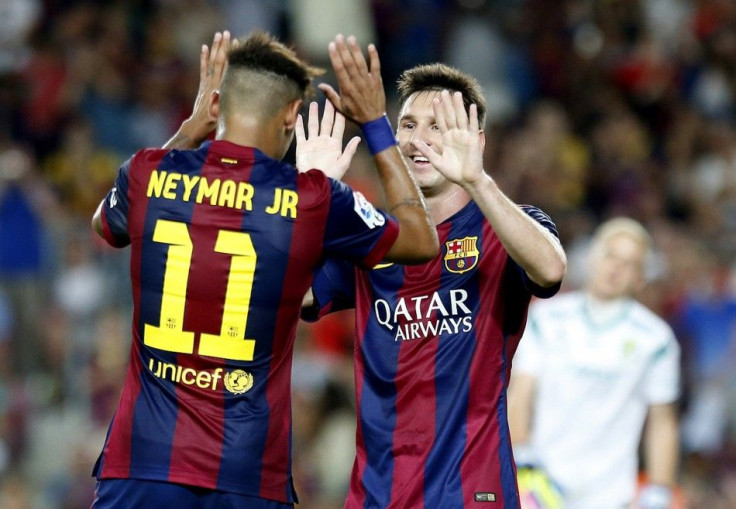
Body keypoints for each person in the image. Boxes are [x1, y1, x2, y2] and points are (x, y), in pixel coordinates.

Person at [89, 30, 439, 509]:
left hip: (142, 462)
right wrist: (377, 123)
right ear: (292, 116)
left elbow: (104, 224)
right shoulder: (311, 198)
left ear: (217, 105)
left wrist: (193, 125)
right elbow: (422, 240)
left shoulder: (148, 173)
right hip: (247, 475)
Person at [302, 64, 567, 508]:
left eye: (437, 126)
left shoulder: (506, 227)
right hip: (377, 492)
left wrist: (477, 180)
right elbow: (297, 293)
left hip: (471, 490)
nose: (417, 138)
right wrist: (310, 193)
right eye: (407, 124)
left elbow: (550, 270)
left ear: (475, 140)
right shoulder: (372, 236)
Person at [508, 217, 681, 509]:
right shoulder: (545, 319)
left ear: (640, 277)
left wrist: (659, 490)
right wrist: (521, 456)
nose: (615, 268)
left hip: (610, 494)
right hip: (542, 486)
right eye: (610, 255)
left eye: (629, 263)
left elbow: (662, 421)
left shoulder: (656, 340)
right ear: (591, 258)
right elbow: (520, 393)